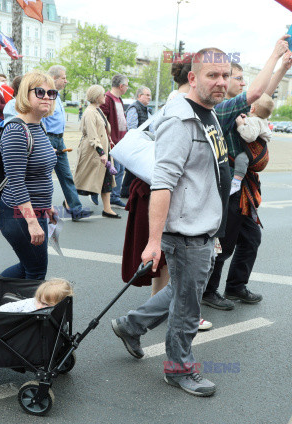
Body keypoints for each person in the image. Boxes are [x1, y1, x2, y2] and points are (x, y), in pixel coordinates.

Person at [111, 47, 232, 397]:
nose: (221, 82)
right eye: (212, 75)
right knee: (188, 305)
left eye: (225, 75)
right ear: (192, 78)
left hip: (203, 228)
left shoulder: (206, 111)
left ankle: (130, 325)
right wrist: (153, 241)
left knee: (182, 291)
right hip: (186, 233)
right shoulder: (181, 121)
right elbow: (162, 183)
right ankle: (178, 369)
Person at [202, 38, 291, 310]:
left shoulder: (239, 108)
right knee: (224, 245)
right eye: (236, 78)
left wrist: (283, 67)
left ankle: (236, 286)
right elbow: (255, 93)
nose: (241, 82)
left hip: (243, 189)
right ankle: (208, 290)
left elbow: (262, 95)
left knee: (252, 238)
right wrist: (275, 55)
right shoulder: (225, 109)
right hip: (228, 189)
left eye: (238, 77)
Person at [0, 71, 57, 280]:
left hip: (36, 209)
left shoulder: (38, 126)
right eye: (40, 92)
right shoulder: (16, 130)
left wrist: (47, 206)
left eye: (52, 93)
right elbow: (16, 182)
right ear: (25, 94)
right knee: (36, 271)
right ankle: (21, 310)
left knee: (29, 267)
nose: (47, 97)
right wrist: (32, 222)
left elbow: (39, 174)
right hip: (19, 214)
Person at [43, 65, 92, 222]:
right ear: (54, 79)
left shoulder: (56, 96)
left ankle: (75, 209)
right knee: (43, 177)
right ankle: (41, 210)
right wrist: (44, 142)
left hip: (59, 139)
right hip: (48, 139)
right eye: (63, 78)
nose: (66, 81)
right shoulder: (44, 95)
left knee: (66, 175)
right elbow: (41, 119)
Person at [74, 85, 119, 219]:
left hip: (102, 151)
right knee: (83, 179)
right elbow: (93, 135)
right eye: (103, 95)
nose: (105, 97)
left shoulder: (97, 110)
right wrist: (102, 153)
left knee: (106, 179)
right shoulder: (90, 112)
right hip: (93, 152)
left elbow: (102, 130)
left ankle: (107, 208)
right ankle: (69, 204)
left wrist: (109, 141)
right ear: (97, 97)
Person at [231, 94, 274, 194]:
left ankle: (236, 182)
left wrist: (241, 125)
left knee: (241, 159)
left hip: (254, 153)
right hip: (261, 154)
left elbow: (250, 137)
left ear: (252, 108)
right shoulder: (262, 120)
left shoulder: (255, 121)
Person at [100, 74, 129, 208]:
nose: (127, 88)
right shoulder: (108, 99)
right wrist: (108, 138)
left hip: (122, 142)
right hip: (113, 142)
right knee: (115, 169)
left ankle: (114, 196)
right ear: (121, 86)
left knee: (120, 169)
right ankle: (111, 196)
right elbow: (102, 121)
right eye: (127, 85)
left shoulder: (119, 99)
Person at [121, 86, 153, 198]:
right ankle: (126, 191)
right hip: (137, 144)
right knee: (132, 170)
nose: (150, 97)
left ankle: (129, 191)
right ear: (140, 96)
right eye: (147, 95)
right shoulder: (134, 108)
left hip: (143, 144)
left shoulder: (146, 109)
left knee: (134, 170)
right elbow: (132, 128)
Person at [0, 278, 73, 312]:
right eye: (39, 301)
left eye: (46, 304)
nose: (39, 306)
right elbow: (11, 307)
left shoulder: (58, 313)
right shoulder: (32, 304)